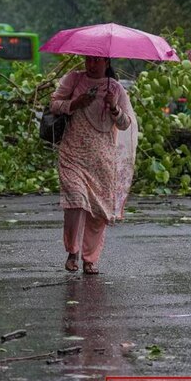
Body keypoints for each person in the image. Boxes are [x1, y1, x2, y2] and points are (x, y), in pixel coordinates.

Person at [50, 55, 136, 274]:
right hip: (73, 154)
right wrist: (75, 103)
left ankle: (90, 259)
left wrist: (114, 107)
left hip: (102, 159)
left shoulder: (116, 88)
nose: (91, 64)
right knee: (76, 201)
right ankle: (72, 252)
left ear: (106, 62)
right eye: (88, 60)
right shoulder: (74, 80)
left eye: (97, 60)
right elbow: (54, 105)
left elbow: (125, 124)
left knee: (98, 212)